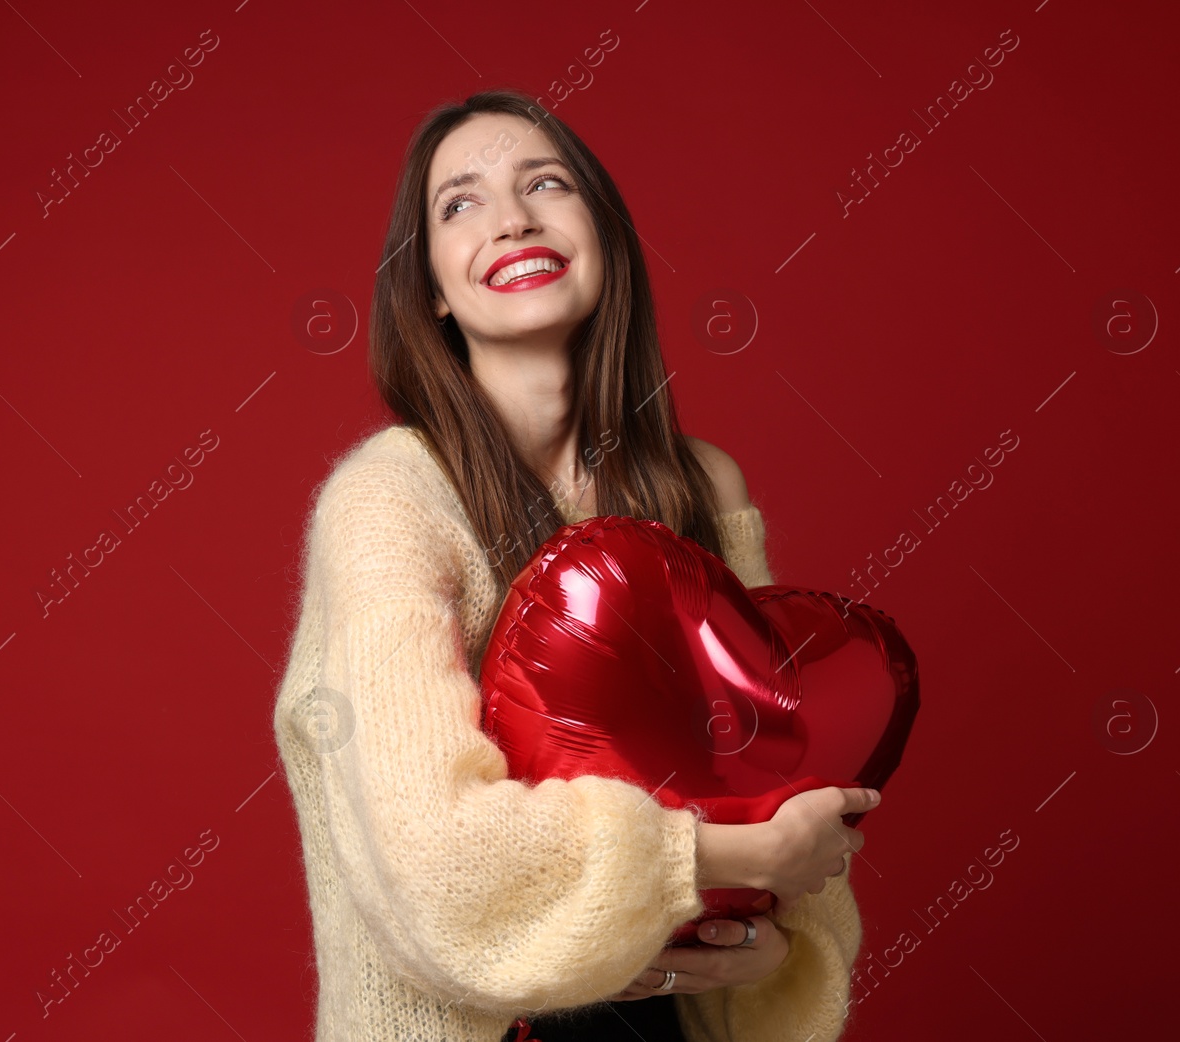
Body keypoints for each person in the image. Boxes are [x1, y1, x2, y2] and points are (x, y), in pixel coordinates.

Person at [272, 87, 878, 1042]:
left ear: (602, 232)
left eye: (544, 184)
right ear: (429, 284)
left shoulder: (703, 488)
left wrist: (776, 955)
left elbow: (780, 778)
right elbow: (434, 861)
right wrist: (740, 855)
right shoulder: (387, 502)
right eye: (460, 202)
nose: (512, 218)